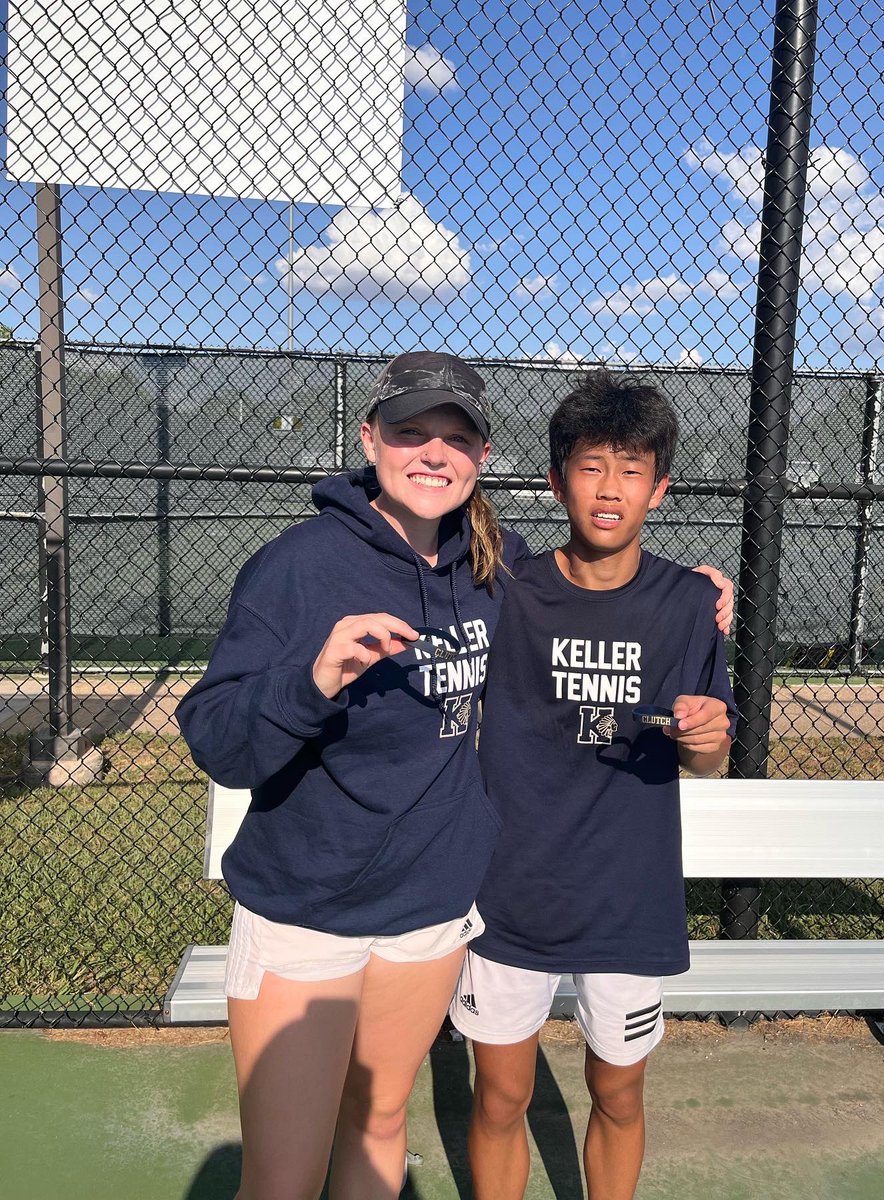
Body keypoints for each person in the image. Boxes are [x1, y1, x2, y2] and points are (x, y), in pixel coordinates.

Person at [176, 352, 733, 1200]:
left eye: (456, 438)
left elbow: (607, 596)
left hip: (430, 912)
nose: (433, 453)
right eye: (410, 432)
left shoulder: (489, 567)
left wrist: (701, 595)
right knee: (285, 1177)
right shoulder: (303, 565)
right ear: (370, 439)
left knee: (379, 1125)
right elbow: (218, 739)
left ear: (481, 457)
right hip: (310, 906)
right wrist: (312, 682)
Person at [450, 370, 737, 1200]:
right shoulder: (506, 587)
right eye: (590, 467)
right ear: (555, 481)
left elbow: (708, 758)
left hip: (627, 896)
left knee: (618, 1093)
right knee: (499, 1097)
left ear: (661, 488)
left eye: (632, 469)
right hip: (510, 891)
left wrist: (708, 738)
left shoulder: (690, 603)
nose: (610, 489)